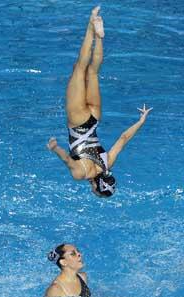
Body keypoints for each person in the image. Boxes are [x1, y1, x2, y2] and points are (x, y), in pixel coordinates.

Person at [47, 6, 152, 197]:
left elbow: (123, 139)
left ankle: (99, 36)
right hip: (78, 121)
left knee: (93, 72)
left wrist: (141, 121)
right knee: (79, 67)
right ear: (96, 186)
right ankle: (91, 24)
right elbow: (67, 160)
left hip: (95, 119)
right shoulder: (81, 174)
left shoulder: (108, 163)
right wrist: (55, 149)